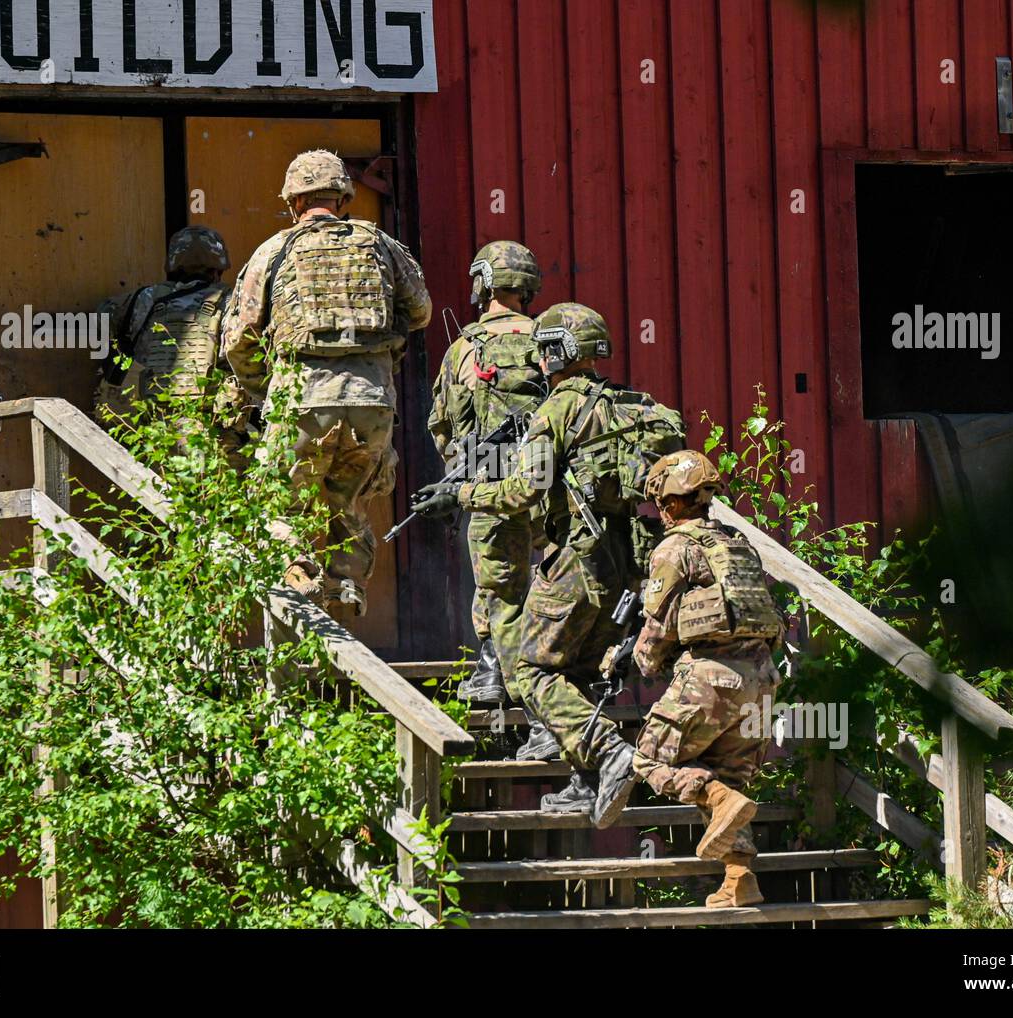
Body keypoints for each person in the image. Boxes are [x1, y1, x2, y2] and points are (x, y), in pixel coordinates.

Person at [414, 302, 684, 825]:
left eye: (543, 350)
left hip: (575, 565)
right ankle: (586, 783)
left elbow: (523, 489)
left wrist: (462, 494)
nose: (538, 361)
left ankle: (609, 752)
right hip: (625, 567)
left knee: (534, 670)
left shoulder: (556, 410)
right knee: (579, 672)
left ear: (557, 352)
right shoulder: (632, 403)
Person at [220, 149, 431, 615]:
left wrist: (262, 387)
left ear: (294, 201)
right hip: (372, 400)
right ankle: (347, 582)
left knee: (276, 498)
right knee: (348, 495)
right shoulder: (380, 243)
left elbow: (239, 337)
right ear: (343, 196)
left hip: (303, 398)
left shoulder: (275, 250)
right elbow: (420, 312)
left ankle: (297, 570)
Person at [629, 449, 784, 908]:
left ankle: (715, 796)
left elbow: (657, 631)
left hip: (710, 677)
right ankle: (741, 880)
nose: (659, 512)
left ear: (673, 503)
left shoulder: (674, 547)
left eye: (660, 503)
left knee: (648, 759)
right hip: (761, 679)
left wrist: (638, 661)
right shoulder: (737, 544)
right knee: (732, 777)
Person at [426, 241, 545, 706]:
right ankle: (547, 683)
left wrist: (463, 476)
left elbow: (441, 427)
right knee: (551, 578)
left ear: (483, 283)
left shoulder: (463, 350)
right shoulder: (549, 338)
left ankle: (494, 673)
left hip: (488, 478)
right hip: (547, 477)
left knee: (496, 583)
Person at [94, 225, 232, 422]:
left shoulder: (146, 297)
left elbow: (103, 316)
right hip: (208, 416)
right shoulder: (230, 301)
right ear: (218, 267)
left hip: (148, 416)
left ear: (174, 264)